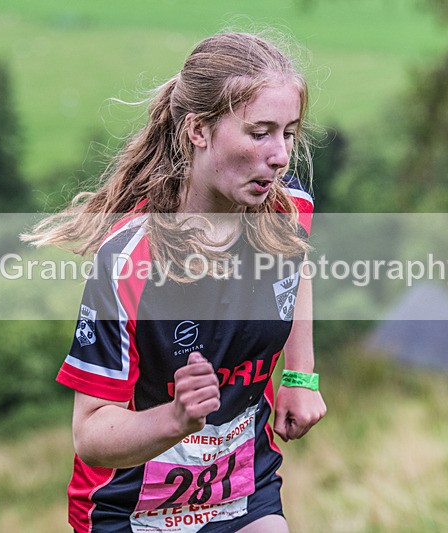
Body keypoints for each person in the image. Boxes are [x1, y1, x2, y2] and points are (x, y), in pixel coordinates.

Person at [24, 31, 326, 533]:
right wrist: (176, 420)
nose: (279, 157)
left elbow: (296, 266)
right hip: (127, 511)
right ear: (198, 130)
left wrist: (300, 374)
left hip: (242, 492)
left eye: (288, 133)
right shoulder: (128, 262)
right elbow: (90, 435)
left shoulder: (285, 209)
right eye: (259, 132)